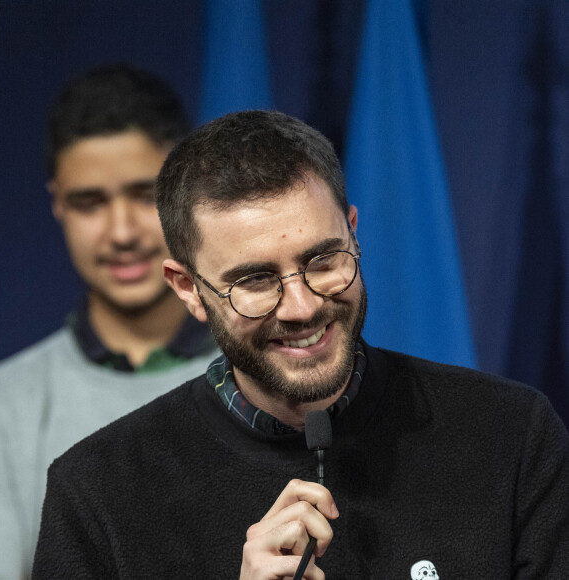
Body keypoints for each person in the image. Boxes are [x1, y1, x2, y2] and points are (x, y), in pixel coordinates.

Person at [32, 110, 569, 578]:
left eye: (324, 261)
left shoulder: (511, 436)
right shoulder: (98, 494)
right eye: (256, 280)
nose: (303, 307)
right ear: (190, 290)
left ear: (354, 233)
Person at [0, 64, 218, 580]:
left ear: (189, 192)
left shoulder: (275, 378)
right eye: (90, 203)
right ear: (57, 205)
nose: (121, 232)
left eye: (144, 195)